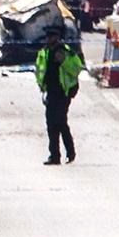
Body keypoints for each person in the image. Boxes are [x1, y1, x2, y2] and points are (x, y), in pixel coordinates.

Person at [34, 25, 84, 165]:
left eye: (51, 37)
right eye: (48, 37)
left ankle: (70, 153)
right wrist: (42, 86)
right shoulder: (44, 53)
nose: (49, 39)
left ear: (57, 38)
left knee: (60, 122)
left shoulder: (66, 52)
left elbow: (76, 69)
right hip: (50, 92)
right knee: (51, 124)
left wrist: (63, 61)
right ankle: (54, 156)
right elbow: (39, 70)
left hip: (64, 92)